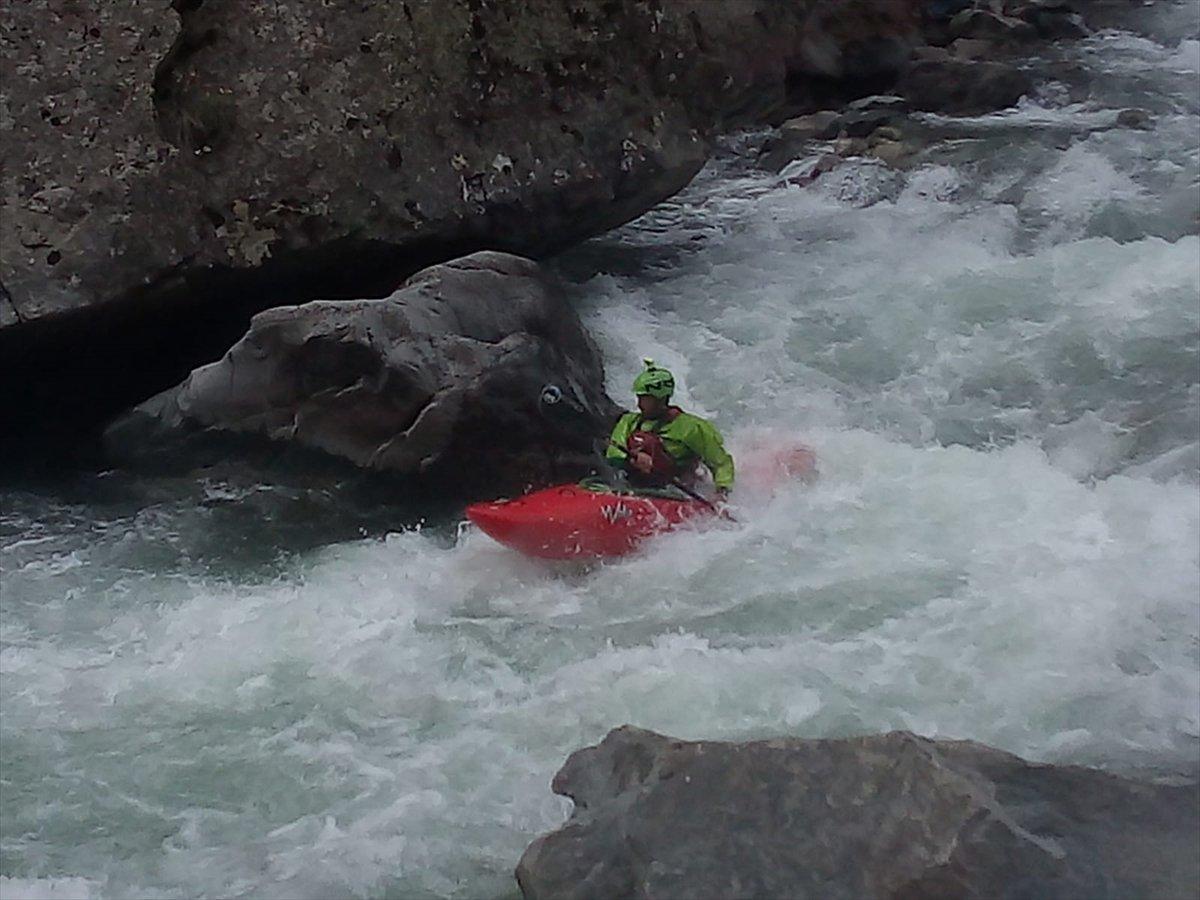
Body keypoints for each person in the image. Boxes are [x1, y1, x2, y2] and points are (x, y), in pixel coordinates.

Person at [606, 359, 734, 499]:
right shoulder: (628, 421)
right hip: (632, 485)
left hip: (673, 492)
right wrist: (631, 460)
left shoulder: (691, 427)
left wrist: (721, 492)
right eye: (639, 398)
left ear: (660, 399)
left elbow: (721, 463)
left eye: (645, 399)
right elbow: (613, 457)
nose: (639, 404)